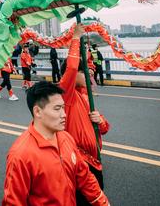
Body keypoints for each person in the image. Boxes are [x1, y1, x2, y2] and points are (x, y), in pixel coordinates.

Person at [2, 81, 109, 206]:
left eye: (63, 108)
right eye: (57, 109)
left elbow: (84, 177)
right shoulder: (21, 155)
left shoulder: (66, 137)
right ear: (37, 112)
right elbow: (13, 202)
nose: (64, 115)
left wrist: (103, 203)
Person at [60, 25, 110, 204]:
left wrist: (100, 121)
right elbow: (72, 68)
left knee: (97, 195)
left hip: (95, 159)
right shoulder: (67, 95)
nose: (89, 72)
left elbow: (103, 129)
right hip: (79, 161)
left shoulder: (86, 96)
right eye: (84, 71)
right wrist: (76, 38)